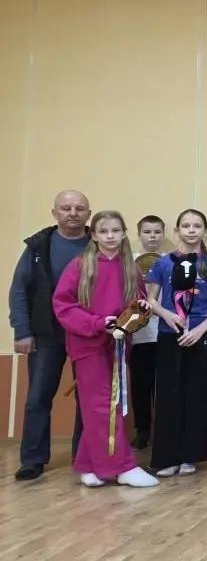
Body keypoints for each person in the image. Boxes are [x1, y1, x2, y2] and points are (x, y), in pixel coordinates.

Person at [52, 210, 159, 488]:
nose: (110, 236)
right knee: (101, 405)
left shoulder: (130, 268)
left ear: (123, 234)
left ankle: (88, 465)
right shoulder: (80, 266)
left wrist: (139, 310)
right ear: (94, 235)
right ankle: (123, 467)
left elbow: (138, 303)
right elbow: (63, 306)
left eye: (115, 231)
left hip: (118, 346)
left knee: (109, 405)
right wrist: (99, 323)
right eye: (104, 231)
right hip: (88, 345)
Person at [10, 189, 90, 481]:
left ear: (88, 214)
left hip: (87, 333)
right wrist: (22, 330)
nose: (73, 213)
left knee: (88, 397)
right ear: (54, 213)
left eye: (79, 208)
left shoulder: (99, 244)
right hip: (46, 333)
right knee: (38, 398)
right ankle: (32, 459)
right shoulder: (38, 247)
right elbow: (19, 289)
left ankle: (83, 455)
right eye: (66, 208)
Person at [146, 210, 207, 478]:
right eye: (186, 225)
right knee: (168, 395)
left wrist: (201, 329)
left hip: (200, 334)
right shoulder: (162, 264)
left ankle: (190, 455)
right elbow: (150, 300)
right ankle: (167, 457)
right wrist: (167, 315)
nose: (191, 230)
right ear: (177, 230)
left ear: (205, 231)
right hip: (169, 333)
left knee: (197, 393)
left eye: (197, 226)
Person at [130, 214, 164, 450]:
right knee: (140, 387)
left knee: (164, 387)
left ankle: (163, 431)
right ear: (139, 234)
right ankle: (142, 431)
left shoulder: (170, 261)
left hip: (164, 333)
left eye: (157, 232)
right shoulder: (128, 262)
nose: (152, 236)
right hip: (138, 335)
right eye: (147, 232)